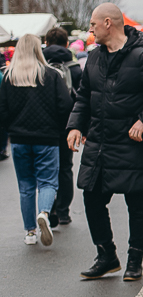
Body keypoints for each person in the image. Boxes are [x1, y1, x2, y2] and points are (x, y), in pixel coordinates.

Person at [66, 3, 143, 281]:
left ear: (108, 23)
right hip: (100, 145)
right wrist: (75, 126)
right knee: (91, 198)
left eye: (93, 25)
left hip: (133, 145)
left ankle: (134, 260)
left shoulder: (142, 56)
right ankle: (106, 255)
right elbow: (83, 97)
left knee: (137, 204)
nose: (90, 30)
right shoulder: (94, 58)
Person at [0, 34, 74, 246]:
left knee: (25, 186)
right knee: (48, 181)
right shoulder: (51, 75)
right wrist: (59, 128)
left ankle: (30, 232)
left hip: (19, 138)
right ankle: (44, 212)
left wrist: (11, 129)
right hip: (47, 138)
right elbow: (65, 105)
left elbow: (2, 110)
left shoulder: (9, 76)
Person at [43, 26, 83, 227]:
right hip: (68, 125)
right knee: (66, 167)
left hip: (43, 125)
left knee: (46, 169)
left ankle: (48, 208)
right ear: (67, 44)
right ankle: (64, 211)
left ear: (46, 43)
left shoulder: (39, 65)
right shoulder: (74, 68)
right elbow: (83, 97)